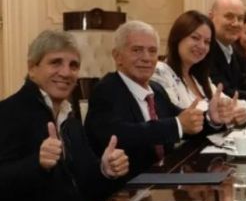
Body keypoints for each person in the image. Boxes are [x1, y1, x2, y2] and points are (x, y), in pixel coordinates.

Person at [0, 30, 129, 201]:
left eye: (73, 65)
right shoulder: (8, 113)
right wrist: (37, 163)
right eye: (55, 63)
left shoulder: (71, 119)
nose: (66, 72)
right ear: (32, 68)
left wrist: (106, 170)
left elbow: (88, 182)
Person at [85, 21, 230, 176]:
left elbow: (186, 122)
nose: (146, 58)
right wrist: (177, 125)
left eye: (152, 51)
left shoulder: (156, 90)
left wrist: (211, 119)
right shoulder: (107, 89)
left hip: (167, 179)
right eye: (137, 50)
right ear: (117, 56)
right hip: (129, 186)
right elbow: (120, 134)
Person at [152, 10, 246, 123]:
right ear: (177, 38)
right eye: (195, 38)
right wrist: (217, 117)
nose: (202, 46)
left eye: (207, 42)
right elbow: (177, 118)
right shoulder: (160, 72)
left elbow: (232, 104)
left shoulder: (199, 78)